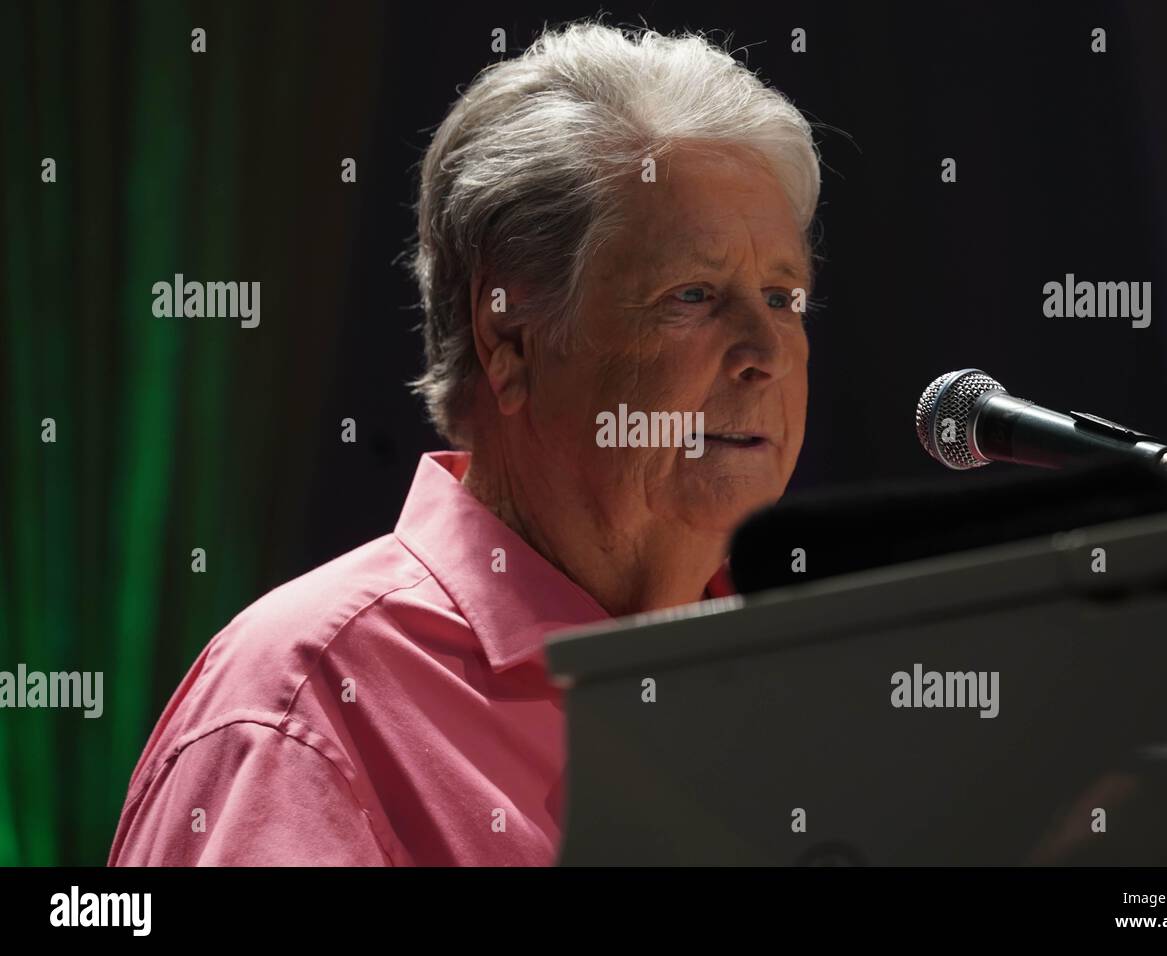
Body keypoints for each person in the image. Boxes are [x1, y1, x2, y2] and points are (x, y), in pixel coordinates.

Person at [109, 20, 820, 866]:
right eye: (694, 295)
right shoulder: (300, 709)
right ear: (508, 339)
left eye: (782, 296)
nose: (767, 352)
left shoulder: (815, 676)